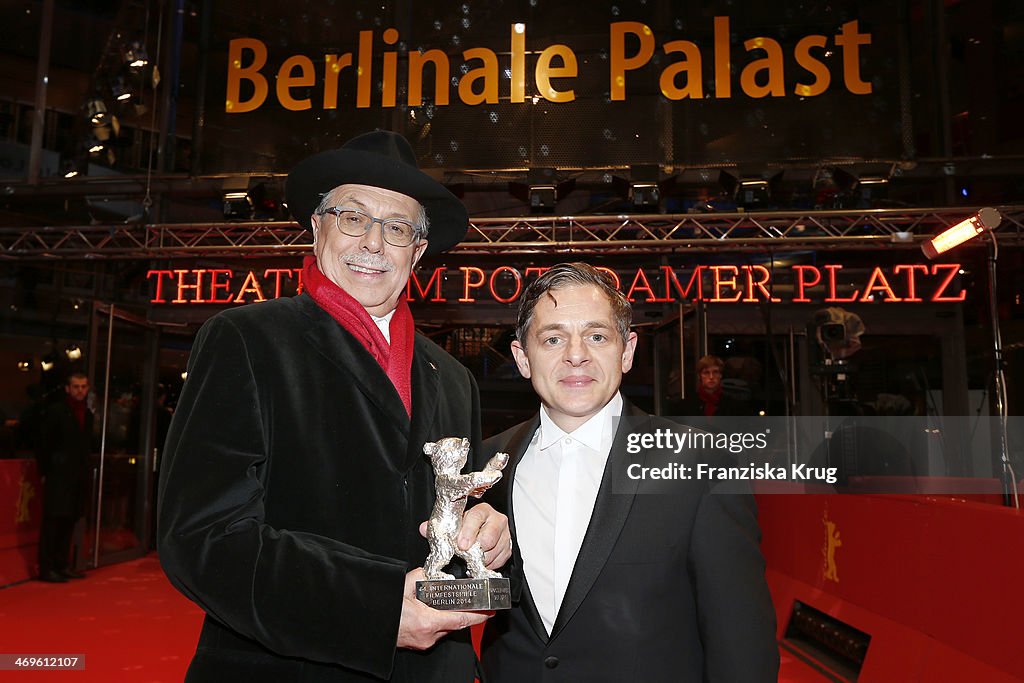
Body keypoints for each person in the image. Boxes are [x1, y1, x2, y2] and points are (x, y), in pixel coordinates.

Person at [158, 130, 510, 683]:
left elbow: (448, 507)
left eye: (396, 228)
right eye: (353, 217)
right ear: (317, 226)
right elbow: (202, 538)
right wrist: (372, 609)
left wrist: (486, 531)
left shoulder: (455, 378)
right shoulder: (246, 341)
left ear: (418, 252)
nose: (374, 242)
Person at [478, 263, 778, 682]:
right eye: (552, 338)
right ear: (522, 358)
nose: (576, 354)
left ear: (627, 351)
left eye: (597, 336)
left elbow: (741, 636)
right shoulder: (489, 463)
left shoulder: (700, 462)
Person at [37, 372, 93, 582]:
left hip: (77, 477)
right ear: (68, 389)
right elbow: (43, 444)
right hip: (58, 476)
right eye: (76, 386)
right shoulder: (56, 412)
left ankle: (62, 564)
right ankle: (47, 567)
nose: (80, 390)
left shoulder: (87, 415)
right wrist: (45, 472)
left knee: (69, 521)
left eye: (83, 386)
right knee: (53, 522)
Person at [671, 354, 752, 417]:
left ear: (720, 375)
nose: (711, 377)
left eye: (715, 372)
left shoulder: (735, 406)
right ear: (699, 376)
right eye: (706, 373)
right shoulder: (685, 406)